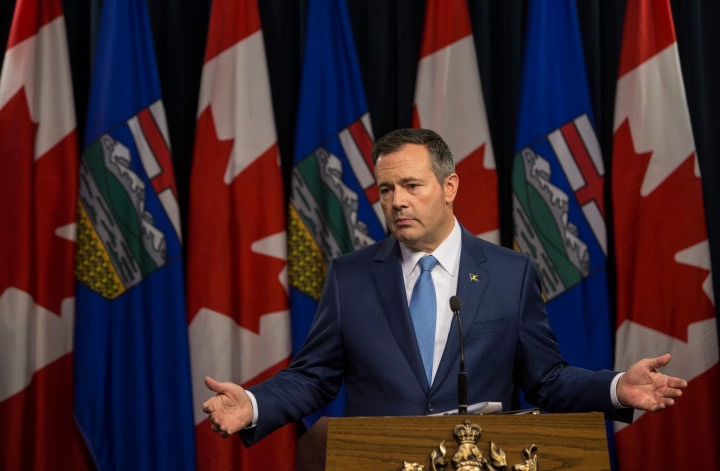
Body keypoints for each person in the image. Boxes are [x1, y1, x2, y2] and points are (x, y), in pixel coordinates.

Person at [202, 128, 687, 444]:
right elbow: (314, 376)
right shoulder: (350, 277)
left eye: (412, 186)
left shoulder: (508, 273)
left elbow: (546, 379)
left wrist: (619, 387)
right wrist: (255, 402)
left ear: (450, 186)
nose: (397, 202)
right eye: (386, 190)